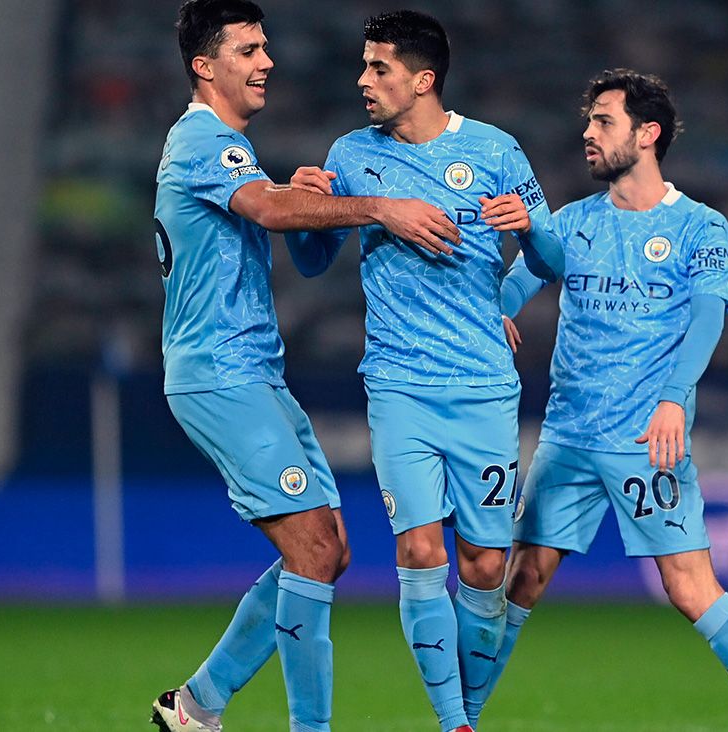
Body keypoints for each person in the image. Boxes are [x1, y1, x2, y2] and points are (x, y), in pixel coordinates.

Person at [473, 69, 728, 732]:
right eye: (589, 121)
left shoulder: (701, 227)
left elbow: (708, 318)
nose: (588, 132)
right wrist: (493, 313)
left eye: (603, 120)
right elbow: (520, 282)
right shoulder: (570, 225)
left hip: (646, 440)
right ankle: (459, 721)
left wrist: (671, 399)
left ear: (647, 133)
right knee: (520, 580)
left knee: (690, 589)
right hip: (568, 437)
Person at [149, 2, 463, 731]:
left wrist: (297, 189)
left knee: (327, 552)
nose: (266, 62)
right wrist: (378, 207)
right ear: (205, 66)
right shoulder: (201, 138)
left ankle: (196, 706)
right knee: (314, 548)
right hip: (219, 375)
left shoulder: (224, 148)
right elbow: (268, 212)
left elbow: (266, 201)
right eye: (249, 50)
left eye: (266, 48)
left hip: (252, 371)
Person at [283, 11, 564, 732]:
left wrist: (530, 231)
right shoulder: (350, 154)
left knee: (482, 566)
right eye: (364, 65)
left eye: (379, 68)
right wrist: (310, 202)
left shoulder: (496, 151)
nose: (363, 80)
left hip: (483, 389)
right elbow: (314, 263)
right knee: (419, 548)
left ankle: (463, 711)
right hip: (399, 384)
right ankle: (455, 723)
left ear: (423, 79)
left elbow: (555, 261)